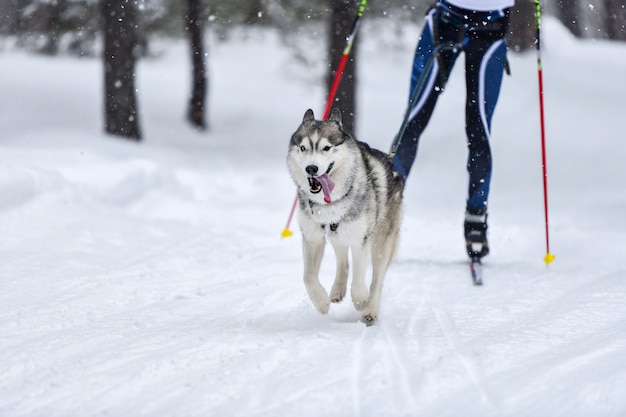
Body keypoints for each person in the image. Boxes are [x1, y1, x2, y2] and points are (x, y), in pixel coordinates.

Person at [391, 0, 514, 261]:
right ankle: (384, 207)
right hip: (444, 22)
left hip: (491, 28)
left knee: (479, 128)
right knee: (413, 119)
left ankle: (476, 217)